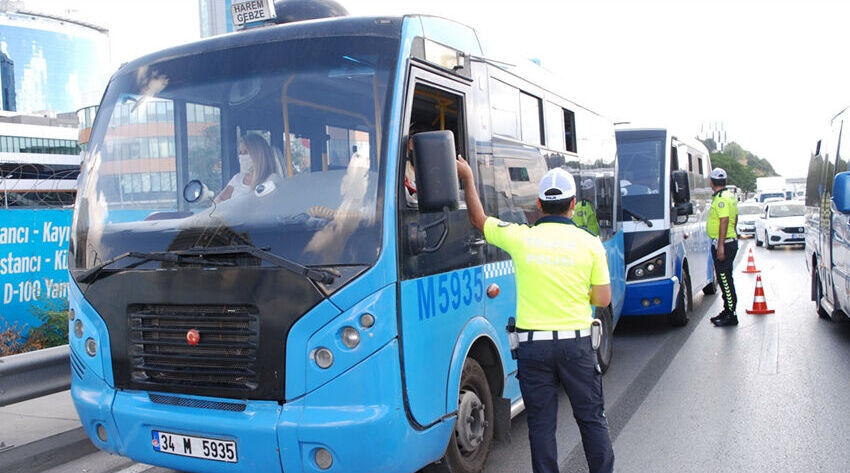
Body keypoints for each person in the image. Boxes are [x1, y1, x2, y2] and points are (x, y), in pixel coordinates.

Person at [456, 156, 615, 473]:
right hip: (576, 346)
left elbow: (478, 218)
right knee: (590, 418)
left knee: (541, 426)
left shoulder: (521, 237)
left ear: (539, 205)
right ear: (572, 205)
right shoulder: (590, 243)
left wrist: (468, 178)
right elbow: (603, 297)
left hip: (533, 349)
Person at [707, 167, 739, 327]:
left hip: (724, 243)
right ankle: (727, 310)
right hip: (729, 241)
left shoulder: (721, 199)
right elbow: (736, 217)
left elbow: (724, 220)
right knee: (725, 278)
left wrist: (720, 246)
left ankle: (731, 313)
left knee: (725, 280)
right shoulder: (730, 196)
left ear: (712, 182)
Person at [215, 133, 280, 203]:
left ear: (258, 154)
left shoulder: (271, 179)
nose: (242, 157)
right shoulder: (237, 178)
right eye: (240, 153)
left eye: (246, 152)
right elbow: (218, 201)